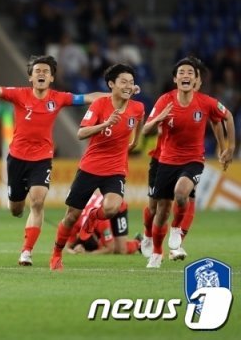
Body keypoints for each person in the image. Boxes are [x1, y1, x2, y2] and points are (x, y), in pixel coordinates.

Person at [0, 55, 107, 266]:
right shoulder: (19, 95)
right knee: (16, 209)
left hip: (42, 159)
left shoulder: (59, 98)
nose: (42, 74)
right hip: (17, 159)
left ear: (52, 77)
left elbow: (88, 97)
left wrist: (115, 94)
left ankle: (26, 252)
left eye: (46, 71)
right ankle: (19, 212)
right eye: (37, 71)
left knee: (37, 202)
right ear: (30, 77)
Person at [49, 63, 145, 271]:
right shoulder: (100, 105)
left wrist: (136, 140)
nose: (129, 86)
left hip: (116, 169)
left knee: (111, 208)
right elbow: (81, 133)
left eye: (131, 82)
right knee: (72, 216)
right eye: (124, 82)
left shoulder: (137, 107)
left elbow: (140, 119)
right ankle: (56, 254)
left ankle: (93, 215)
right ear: (112, 84)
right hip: (90, 167)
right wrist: (105, 124)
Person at [140, 57, 234, 268]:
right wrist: (158, 120)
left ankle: (177, 235)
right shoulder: (166, 101)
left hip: (192, 160)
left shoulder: (204, 101)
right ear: (175, 78)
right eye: (182, 72)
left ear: (198, 80)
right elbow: (146, 130)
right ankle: (152, 243)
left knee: (183, 194)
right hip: (161, 158)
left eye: (191, 74)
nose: (188, 77)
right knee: (157, 209)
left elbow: (219, 120)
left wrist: (226, 147)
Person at [65, 192, 141, 255]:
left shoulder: (101, 222)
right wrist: (75, 252)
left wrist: (87, 253)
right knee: (110, 245)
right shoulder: (75, 222)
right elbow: (66, 247)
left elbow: (110, 248)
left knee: (121, 250)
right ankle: (103, 243)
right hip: (102, 206)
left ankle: (139, 243)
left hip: (116, 206)